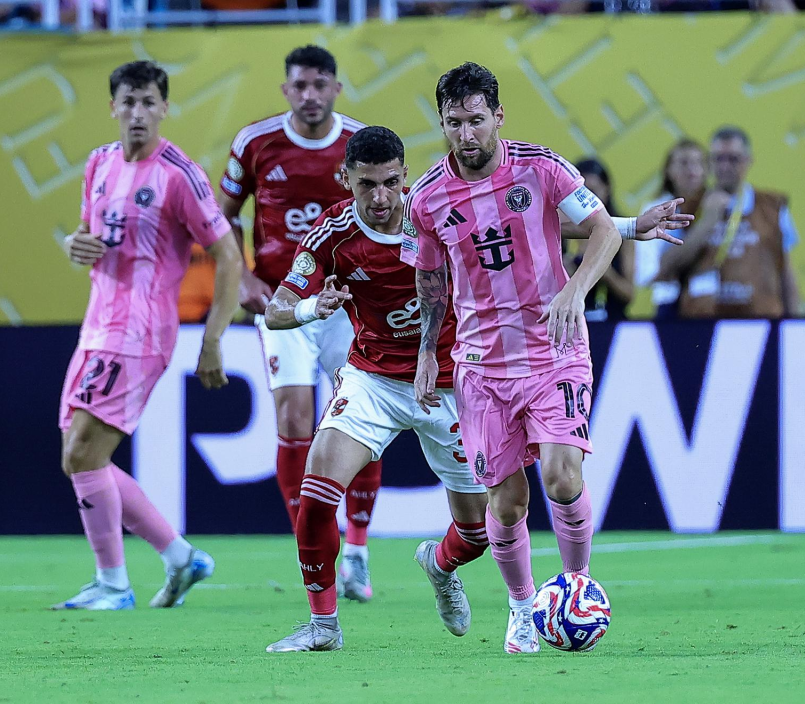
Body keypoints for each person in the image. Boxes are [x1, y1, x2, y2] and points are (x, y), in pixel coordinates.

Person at [405, 62, 625, 655]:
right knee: (507, 501)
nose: (466, 133)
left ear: (498, 116)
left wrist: (574, 291)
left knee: (561, 475)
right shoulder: (425, 198)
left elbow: (604, 231)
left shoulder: (543, 168)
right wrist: (427, 352)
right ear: (443, 123)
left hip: (555, 351)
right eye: (454, 123)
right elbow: (431, 281)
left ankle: (577, 587)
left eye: (477, 120)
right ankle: (523, 606)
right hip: (480, 367)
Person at [261, 127, 490, 652]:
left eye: (390, 182)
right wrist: (309, 308)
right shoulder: (332, 235)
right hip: (374, 380)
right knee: (316, 496)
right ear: (346, 180)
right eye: (367, 185)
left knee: (478, 532)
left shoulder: (439, 212)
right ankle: (323, 628)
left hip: (448, 381)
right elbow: (275, 312)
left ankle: (440, 563)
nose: (381, 197)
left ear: (405, 175)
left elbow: (529, 226)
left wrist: (626, 226)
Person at [54, 61, 243, 611]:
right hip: (96, 325)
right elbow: (90, 237)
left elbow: (228, 257)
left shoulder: (179, 175)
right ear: (113, 107)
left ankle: (113, 585)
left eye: (148, 103)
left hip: (140, 332)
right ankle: (181, 557)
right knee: (82, 457)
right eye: (128, 102)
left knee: (83, 453)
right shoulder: (98, 164)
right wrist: (74, 245)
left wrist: (212, 339)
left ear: (164, 107)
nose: (138, 113)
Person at [217, 46, 382, 600]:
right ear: (286, 90)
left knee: (358, 422)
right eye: (300, 86)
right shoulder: (255, 143)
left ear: (336, 87)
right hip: (283, 308)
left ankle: (356, 548)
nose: (310, 95)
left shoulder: (359, 145)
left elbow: (387, 212)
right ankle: (314, 548)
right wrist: (242, 279)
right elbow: (221, 219)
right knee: (293, 418)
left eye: (320, 85)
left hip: (345, 304)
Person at [656, 126, 800, 319]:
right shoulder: (688, 205)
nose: (725, 167)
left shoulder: (772, 207)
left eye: (733, 159)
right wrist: (706, 223)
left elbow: (785, 271)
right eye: (718, 159)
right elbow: (666, 267)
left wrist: (794, 320)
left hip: (760, 319)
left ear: (748, 160)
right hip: (702, 321)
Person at [636, 139, 707, 318]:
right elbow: (646, 273)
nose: (692, 170)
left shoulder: (719, 207)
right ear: (669, 171)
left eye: (698, 163)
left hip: (709, 302)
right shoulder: (653, 210)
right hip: (668, 303)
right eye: (683, 163)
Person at [566, 158, 635, 322]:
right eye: (581, 194)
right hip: (572, 327)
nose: (587, 202)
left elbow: (628, 294)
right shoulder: (562, 231)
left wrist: (603, 269)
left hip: (613, 323)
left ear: (607, 189)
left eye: (594, 193)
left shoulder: (622, 233)